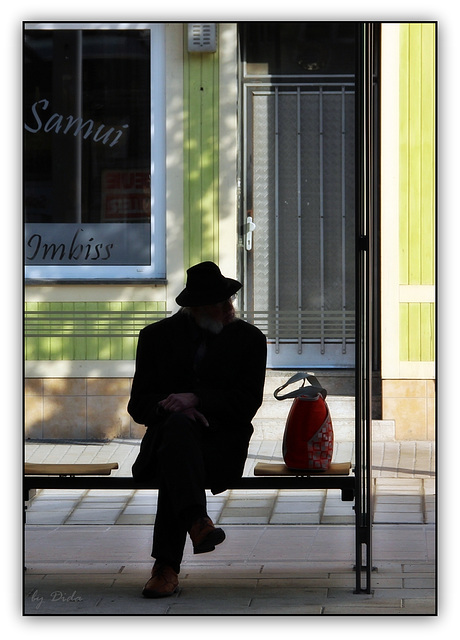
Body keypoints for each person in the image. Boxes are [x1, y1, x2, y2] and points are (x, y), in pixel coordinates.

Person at [127, 261, 267, 598]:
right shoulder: (156, 337)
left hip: (220, 448)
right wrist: (168, 405)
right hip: (168, 445)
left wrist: (197, 400)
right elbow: (138, 405)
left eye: (230, 299)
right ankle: (197, 524)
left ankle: (165, 567)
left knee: (177, 458)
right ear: (197, 308)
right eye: (222, 302)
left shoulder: (249, 339)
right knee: (177, 432)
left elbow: (247, 402)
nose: (230, 307)